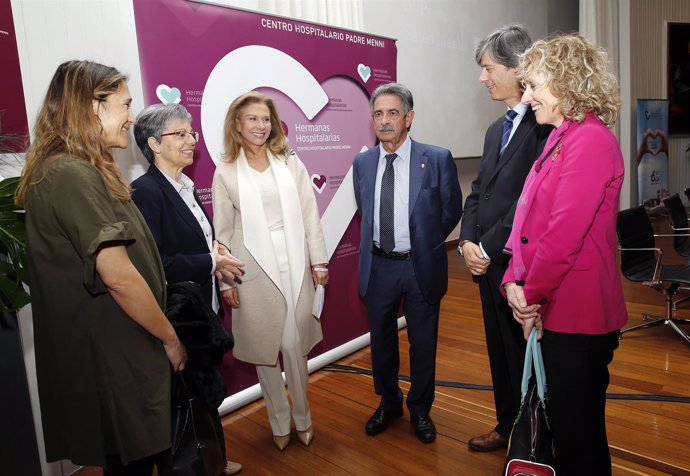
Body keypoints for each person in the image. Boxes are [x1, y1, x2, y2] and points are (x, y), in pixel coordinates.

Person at [15, 60, 187, 475]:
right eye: (125, 105)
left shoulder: (77, 169)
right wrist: (169, 337)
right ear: (93, 107)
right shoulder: (70, 174)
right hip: (117, 354)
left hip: (123, 346)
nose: (132, 117)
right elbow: (119, 276)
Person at [502, 34, 628, 475]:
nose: (528, 95)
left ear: (567, 81)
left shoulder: (590, 140)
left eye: (535, 84)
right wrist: (512, 282)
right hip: (552, 303)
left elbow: (562, 237)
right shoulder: (560, 137)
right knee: (566, 429)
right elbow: (526, 221)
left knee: (580, 439)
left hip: (580, 313)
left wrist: (529, 293)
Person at [131, 103, 244, 475]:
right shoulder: (145, 192)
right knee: (184, 403)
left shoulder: (185, 186)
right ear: (153, 143)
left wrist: (215, 250)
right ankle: (196, 465)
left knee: (205, 395)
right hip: (177, 318)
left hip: (201, 313)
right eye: (179, 134)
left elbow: (195, 242)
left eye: (191, 132)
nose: (191, 140)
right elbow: (156, 264)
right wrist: (212, 262)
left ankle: (213, 461)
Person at [212, 91, 328, 451]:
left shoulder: (290, 161)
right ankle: (279, 421)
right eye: (252, 119)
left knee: (294, 346)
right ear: (237, 124)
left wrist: (318, 260)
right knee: (265, 349)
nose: (261, 126)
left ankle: (303, 417)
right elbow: (223, 231)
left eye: (266, 119)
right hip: (251, 266)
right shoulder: (226, 170)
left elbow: (310, 213)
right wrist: (226, 280)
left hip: (293, 257)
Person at [458, 25, 552, 453]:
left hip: (522, 264)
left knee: (529, 354)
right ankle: (506, 424)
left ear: (518, 68)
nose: (483, 78)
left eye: (488, 68)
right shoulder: (498, 128)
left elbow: (528, 202)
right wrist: (466, 243)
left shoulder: (547, 124)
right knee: (499, 351)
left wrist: (489, 246)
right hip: (487, 264)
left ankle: (535, 437)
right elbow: (480, 191)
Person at [353, 83, 462, 444]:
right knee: (381, 342)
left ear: (409, 117)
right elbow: (365, 210)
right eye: (379, 114)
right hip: (380, 266)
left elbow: (451, 210)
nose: (385, 121)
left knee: (423, 342)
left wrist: (425, 241)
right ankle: (388, 402)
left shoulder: (437, 158)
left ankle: (420, 408)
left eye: (393, 113)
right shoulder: (363, 162)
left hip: (420, 267)